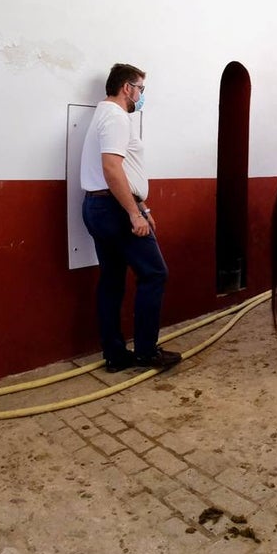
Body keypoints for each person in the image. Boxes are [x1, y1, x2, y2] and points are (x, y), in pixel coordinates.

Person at [80, 63, 182, 373]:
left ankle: (115, 354)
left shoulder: (102, 115)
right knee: (155, 274)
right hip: (114, 209)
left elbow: (124, 171)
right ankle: (146, 352)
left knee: (112, 280)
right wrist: (134, 213)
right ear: (127, 88)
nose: (141, 95)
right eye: (141, 89)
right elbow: (112, 168)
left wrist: (143, 207)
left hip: (99, 207)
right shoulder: (116, 117)